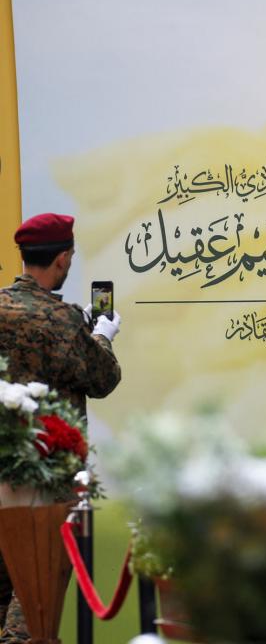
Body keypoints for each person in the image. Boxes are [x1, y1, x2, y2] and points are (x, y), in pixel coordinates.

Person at [0, 212, 122, 642]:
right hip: (49, 475)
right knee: (37, 595)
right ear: (63, 258)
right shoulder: (62, 318)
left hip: (2, 473)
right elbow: (102, 378)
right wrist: (102, 335)